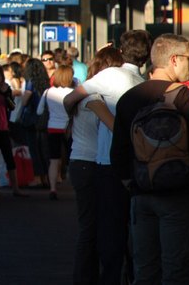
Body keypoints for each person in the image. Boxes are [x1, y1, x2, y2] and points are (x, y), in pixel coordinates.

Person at [111, 33, 189, 285]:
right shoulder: (183, 97)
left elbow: (117, 152)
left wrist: (133, 183)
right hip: (177, 195)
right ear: (174, 60)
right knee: (177, 269)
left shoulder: (129, 98)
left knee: (145, 269)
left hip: (141, 194)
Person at [63, 30, 152, 285]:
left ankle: (99, 278)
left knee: (101, 229)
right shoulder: (144, 82)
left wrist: (80, 108)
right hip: (133, 163)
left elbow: (71, 98)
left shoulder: (109, 78)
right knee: (128, 228)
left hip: (104, 163)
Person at [68, 46, 124, 285]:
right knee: (91, 226)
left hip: (79, 160)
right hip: (90, 164)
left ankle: (87, 276)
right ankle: (84, 278)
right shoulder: (95, 98)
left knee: (89, 225)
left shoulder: (82, 95)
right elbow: (115, 127)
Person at [0, 65, 30, 197]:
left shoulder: (6, 88)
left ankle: (15, 188)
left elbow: (12, 106)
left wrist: (6, 94)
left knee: (8, 157)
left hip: (4, 126)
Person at [38, 64, 74, 200]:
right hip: (69, 129)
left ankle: (53, 188)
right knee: (73, 159)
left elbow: (39, 111)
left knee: (54, 159)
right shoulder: (73, 92)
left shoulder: (48, 92)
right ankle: (75, 187)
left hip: (52, 127)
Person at [21, 57, 52, 187]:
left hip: (31, 118)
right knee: (43, 149)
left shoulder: (30, 82)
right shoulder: (45, 82)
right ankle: (46, 178)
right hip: (43, 119)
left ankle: (37, 178)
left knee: (34, 149)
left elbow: (25, 100)